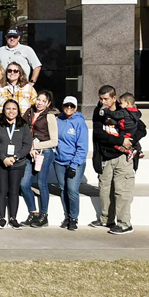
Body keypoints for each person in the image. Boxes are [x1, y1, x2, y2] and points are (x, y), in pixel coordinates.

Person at [90, 85, 135, 235]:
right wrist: (120, 140)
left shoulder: (126, 110)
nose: (103, 101)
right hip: (106, 156)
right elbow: (98, 133)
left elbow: (141, 129)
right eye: (101, 98)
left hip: (123, 157)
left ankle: (124, 223)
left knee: (122, 191)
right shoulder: (99, 111)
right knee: (104, 190)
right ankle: (106, 219)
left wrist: (130, 141)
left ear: (114, 98)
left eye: (106, 99)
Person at [0, 99, 33, 229]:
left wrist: (15, 157)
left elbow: (27, 145)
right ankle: (2, 218)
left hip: (17, 163)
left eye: (14, 109)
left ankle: (13, 218)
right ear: (4, 110)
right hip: (0, 163)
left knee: (14, 191)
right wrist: (3, 158)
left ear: (18, 111)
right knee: (2, 190)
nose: (11, 111)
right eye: (8, 108)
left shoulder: (23, 125)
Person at [19, 90, 59, 228]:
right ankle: (33, 212)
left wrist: (35, 145)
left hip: (44, 153)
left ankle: (44, 215)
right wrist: (29, 147)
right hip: (30, 153)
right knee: (24, 183)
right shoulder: (29, 113)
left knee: (42, 183)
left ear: (48, 103)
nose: (40, 103)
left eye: (43, 101)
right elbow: (23, 130)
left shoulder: (50, 116)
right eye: (38, 99)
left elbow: (54, 141)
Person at [53, 96, 88, 231]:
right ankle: (67, 216)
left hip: (75, 162)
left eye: (72, 106)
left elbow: (82, 147)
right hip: (59, 161)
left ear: (76, 108)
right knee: (63, 189)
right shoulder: (58, 120)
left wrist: (74, 164)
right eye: (66, 105)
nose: (69, 108)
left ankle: (74, 218)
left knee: (72, 189)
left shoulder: (79, 123)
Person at [101, 92, 143, 161]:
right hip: (132, 131)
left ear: (128, 103)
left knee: (121, 141)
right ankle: (139, 150)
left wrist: (106, 111)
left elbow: (115, 115)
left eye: (121, 103)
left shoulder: (124, 112)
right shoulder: (136, 112)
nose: (120, 105)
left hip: (125, 131)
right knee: (133, 140)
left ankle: (130, 151)